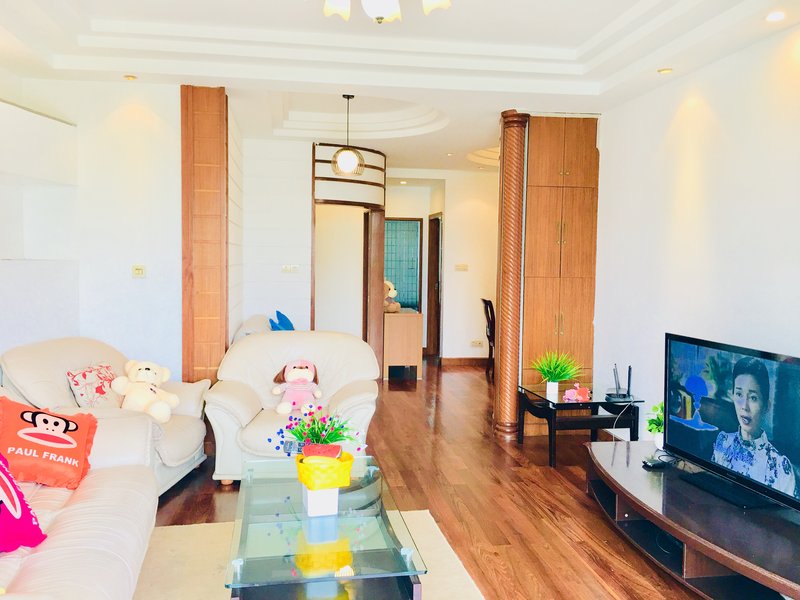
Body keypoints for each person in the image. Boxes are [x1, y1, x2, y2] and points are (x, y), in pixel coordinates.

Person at [712, 356, 797, 497]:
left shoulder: (780, 466)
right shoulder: (723, 441)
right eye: (739, 394)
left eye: (753, 398)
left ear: (766, 406)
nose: (744, 406)